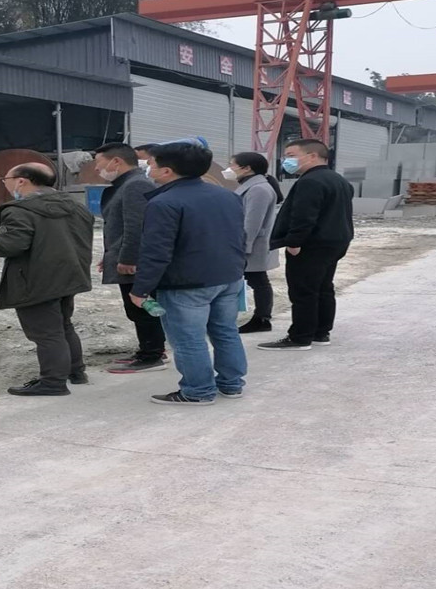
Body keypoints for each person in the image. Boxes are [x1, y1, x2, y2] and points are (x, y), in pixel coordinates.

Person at [130, 140, 248, 405]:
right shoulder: (227, 196)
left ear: (167, 171)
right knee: (226, 332)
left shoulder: (164, 203)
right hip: (227, 276)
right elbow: (240, 236)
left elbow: (156, 251)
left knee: (188, 339)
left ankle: (198, 391)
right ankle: (231, 384)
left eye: (151, 163)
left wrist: (141, 289)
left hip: (186, 282)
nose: (148, 167)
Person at [0, 163, 95, 396]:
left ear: (21, 181)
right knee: (63, 325)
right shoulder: (76, 206)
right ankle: (76, 372)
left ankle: (53, 382)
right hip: (70, 275)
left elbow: (13, 244)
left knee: (46, 333)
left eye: (5, 179)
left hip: (35, 279)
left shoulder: (20, 210)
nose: (5, 185)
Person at [258, 138, 354, 351]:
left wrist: (294, 242)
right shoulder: (338, 180)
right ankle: (321, 332)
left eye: (292, 156)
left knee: (303, 291)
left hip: (312, 245)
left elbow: (303, 216)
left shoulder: (310, 182)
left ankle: (300, 337)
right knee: (323, 287)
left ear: (312, 156)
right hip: (335, 242)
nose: (286, 160)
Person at [93, 143, 166, 374]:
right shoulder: (125, 184)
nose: (96, 168)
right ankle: (149, 349)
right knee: (136, 308)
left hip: (135, 262)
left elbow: (136, 227)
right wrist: (110, 256)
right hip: (126, 257)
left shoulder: (135, 185)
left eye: (99, 163)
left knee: (141, 307)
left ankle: (152, 355)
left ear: (116, 161)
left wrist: (128, 259)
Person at [223, 151, 282, 334]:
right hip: (247, 243)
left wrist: (243, 247)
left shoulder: (259, 189)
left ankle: (262, 318)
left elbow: (252, 223)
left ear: (247, 168)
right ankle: (261, 318)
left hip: (252, 245)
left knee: (259, 281)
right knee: (258, 280)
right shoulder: (253, 186)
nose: (229, 168)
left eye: (232, 164)